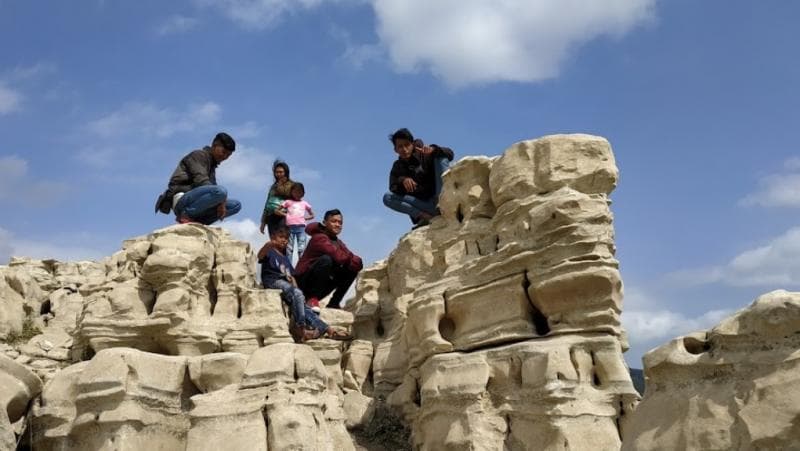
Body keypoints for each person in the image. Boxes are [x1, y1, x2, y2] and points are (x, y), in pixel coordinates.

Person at [257, 226, 352, 342]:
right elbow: (260, 256)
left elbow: (292, 276)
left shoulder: (285, 258)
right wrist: (269, 244)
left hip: (286, 286)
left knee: (304, 306)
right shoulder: (270, 251)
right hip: (272, 281)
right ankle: (300, 329)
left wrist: (298, 292)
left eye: (286, 238)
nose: (284, 240)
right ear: (273, 238)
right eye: (281, 237)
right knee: (297, 294)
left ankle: (328, 330)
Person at [154, 132, 241, 225]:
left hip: (197, 200)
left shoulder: (212, 166)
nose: (224, 157)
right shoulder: (198, 155)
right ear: (214, 145)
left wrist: (221, 202)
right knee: (221, 192)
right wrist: (222, 200)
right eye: (223, 152)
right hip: (182, 199)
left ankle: (199, 223)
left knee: (235, 205)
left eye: (228, 155)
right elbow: (201, 181)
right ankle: (185, 214)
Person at [383, 128, 454, 228]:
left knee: (440, 156)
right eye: (400, 146)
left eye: (407, 145)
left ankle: (445, 202)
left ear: (412, 144)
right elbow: (393, 187)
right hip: (424, 206)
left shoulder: (424, 154)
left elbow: (450, 154)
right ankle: (426, 217)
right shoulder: (397, 166)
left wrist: (434, 150)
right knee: (387, 197)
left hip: (439, 199)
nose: (404, 149)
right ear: (395, 149)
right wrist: (402, 180)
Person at [295, 209, 362, 312]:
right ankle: (311, 299)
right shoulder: (319, 238)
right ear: (325, 223)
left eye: (340, 222)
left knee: (351, 269)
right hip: (302, 285)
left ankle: (334, 303)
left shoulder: (338, 242)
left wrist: (349, 258)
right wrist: (349, 257)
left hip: (320, 286)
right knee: (327, 260)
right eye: (334, 221)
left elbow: (357, 263)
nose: (338, 225)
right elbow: (340, 257)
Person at [281, 182, 314, 262]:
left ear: (303, 193)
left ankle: (301, 268)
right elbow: (277, 210)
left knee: (302, 248)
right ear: (291, 192)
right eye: (295, 191)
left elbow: (312, 215)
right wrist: (287, 215)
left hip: (301, 228)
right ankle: (288, 267)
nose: (297, 193)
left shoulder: (304, 203)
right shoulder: (288, 202)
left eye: (299, 192)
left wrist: (305, 218)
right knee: (289, 248)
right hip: (289, 227)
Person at [259, 160, 294, 236]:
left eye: (281, 172)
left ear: (286, 172)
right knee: (274, 241)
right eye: (276, 172)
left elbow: (295, 202)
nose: (278, 174)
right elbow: (267, 204)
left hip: (283, 217)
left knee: (283, 241)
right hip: (271, 217)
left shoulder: (292, 185)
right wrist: (263, 222)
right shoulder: (273, 187)